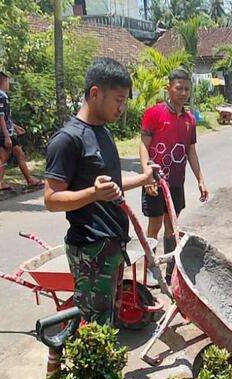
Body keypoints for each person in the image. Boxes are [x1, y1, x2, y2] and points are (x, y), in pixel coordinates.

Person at [43, 58, 156, 326]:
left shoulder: (103, 133)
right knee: (94, 327)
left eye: (125, 100)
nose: (122, 107)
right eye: (118, 99)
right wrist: (92, 194)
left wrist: (143, 179)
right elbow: (51, 200)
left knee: (107, 321)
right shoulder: (67, 139)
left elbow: (110, 188)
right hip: (90, 250)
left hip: (111, 246)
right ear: (95, 94)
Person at [139, 69, 208, 285]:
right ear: (168, 88)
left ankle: (170, 270)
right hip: (156, 181)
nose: (183, 92)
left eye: (187, 88)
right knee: (155, 225)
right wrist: (146, 175)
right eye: (179, 87)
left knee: (172, 227)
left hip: (176, 183)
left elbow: (191, 152)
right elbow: (143, 145)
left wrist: (200, 179)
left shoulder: (190, 120)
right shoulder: (154, 113)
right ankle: (149, 268)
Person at [0, 71, 42, 190]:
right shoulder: (1, 96)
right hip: (5, 132)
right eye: (7, 81)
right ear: (3, 81)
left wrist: (14, 126)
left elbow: (2, 117)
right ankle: (29, 179)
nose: (8, 84)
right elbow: (0, 116)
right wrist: (7, 135)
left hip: (3, 130)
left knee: (5, 156)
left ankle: (0, 182)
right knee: (18, 154)